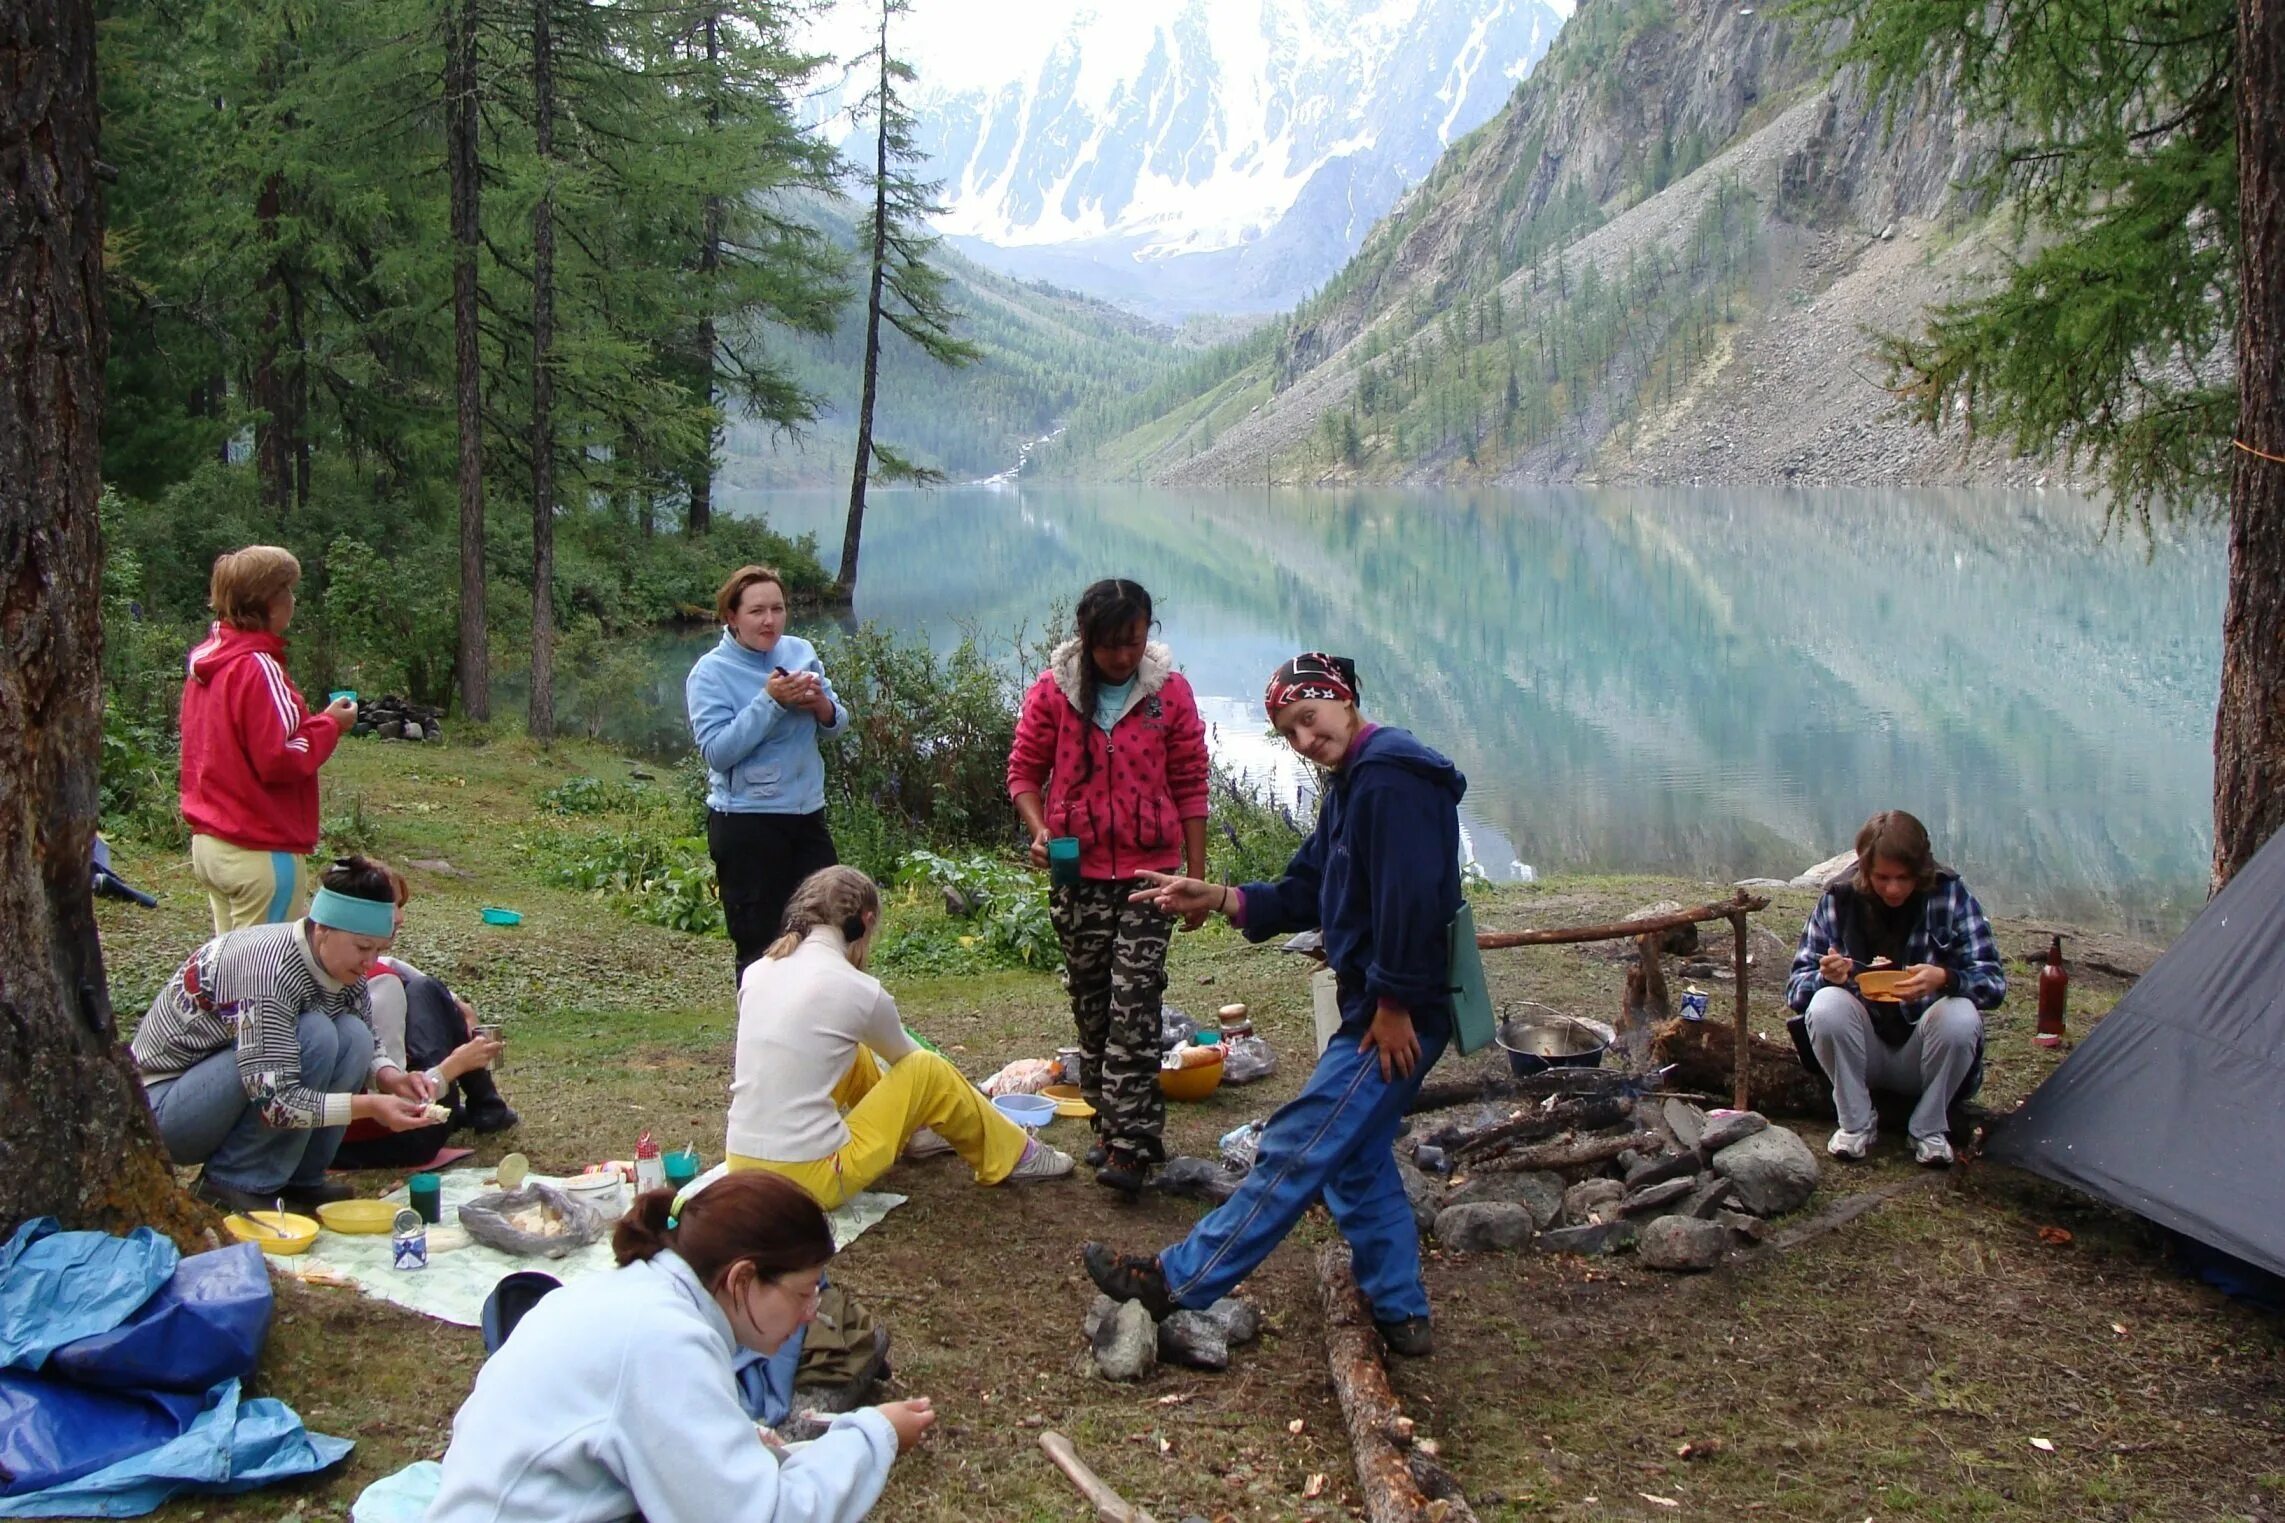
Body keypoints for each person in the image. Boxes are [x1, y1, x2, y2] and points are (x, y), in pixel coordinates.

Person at [1082, 653, 1464, 1359]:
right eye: (1288, 731)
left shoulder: (1389, 778)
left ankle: (1174, 1277)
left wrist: (1392, 1002)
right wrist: (1222, 897)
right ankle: (1400, 1309)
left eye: (1309, 718)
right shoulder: (1353, 783)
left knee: (1295, 1145)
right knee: (1351, 1158)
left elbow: (1413, 902)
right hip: (1382, 1004)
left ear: (1343, 700)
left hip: (1396, 1011)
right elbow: (1308, 887)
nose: (1304, 739)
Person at [425, 1170, 935, 1523]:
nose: (809, 1316)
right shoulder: (662, 1340)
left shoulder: (643, 1298)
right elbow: (764, 1515)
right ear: (741, 1278)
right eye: (802, 1294)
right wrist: (874, 1436)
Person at [1006, 578, 1209, 1192]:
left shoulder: (1168, 693)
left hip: (1152, 875)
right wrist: (1040, 830)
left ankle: (1132, 1144)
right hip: (1079, 877)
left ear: (1148, 635)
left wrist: (1194, 877)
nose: (1124, 656)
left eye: (1135, 641)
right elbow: (1023, 772)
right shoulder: (1054, 692)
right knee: (1092, 1005)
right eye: (1111, 645)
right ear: (1087, 639)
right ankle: (1107, 1119)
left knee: (1135, 1003)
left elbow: (1191, 782)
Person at [726, 867, 1072, 1208]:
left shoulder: (756, 972)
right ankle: (1016, 1156)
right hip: (810, 1180)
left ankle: (918, 1136)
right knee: (926, 1068)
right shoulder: (859, 989)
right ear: (866, 920)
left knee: (855, 1052)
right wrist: (964, 1095)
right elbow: (910, 1063)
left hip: (742, 1169)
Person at [130, 854, 435, 1215]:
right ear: (322, 929)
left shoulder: (335, 961)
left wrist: (391, 1077)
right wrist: (370, 1107)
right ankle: (231, 1181)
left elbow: (365, 1028)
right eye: (363, 949)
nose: (371, 963)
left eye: (380, 951)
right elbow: (275, 1101)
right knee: (315, 1034)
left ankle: (301, 1179)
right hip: (165, 1107)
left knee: (353, 1036)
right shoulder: (267, 971)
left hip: (221, 1088)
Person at [1787, 809, 2006, 1167]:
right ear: (1864, 870)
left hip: (1925, 1054)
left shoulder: (1949, 894)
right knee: (1826, 1004)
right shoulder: (1838, 899)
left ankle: (1930, 1129)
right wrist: (1827, 976)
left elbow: (1993, 983)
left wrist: (1946, 978)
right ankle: (1856, 1123)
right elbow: (1796, 990)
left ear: (1919, 872)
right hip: (1863, 1053)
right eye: (1882, 878)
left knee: (1961, 1016)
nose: (1893, 889)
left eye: (1904, 878)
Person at [178, 545, 358, 935]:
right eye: (288, 591)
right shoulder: (258, 666)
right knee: (262, 975)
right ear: (268, 603)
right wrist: (330, 725)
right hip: (258, 845)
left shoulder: (209, 661)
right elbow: (279, 758)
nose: (293, 601)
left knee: (229, 968)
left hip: (212, 840)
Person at [687, 564, 849, 982]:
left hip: (807, 815)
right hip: (745, 822)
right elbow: (718, 753)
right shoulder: (711, 673)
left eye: (777, 609)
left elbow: (837, 724)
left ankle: (817, 1034)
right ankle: (761, 1040)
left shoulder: (800, 651)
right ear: (732, 617)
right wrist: (771, 702)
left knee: (828, 931)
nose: (769, 620)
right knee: (760, 945)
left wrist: (820, 706)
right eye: (757, 610)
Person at [332, 867, 516, 1170]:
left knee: (426, 988)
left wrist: (457, 1001)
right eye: (393, 906)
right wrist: (456, 1065)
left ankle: (485, 1107)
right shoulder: (375, 984)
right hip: (395, 1137)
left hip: (329, 1133)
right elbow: (392, 1099)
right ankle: (487, 1106)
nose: (400, 918)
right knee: (426, 990)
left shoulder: (330, 970)